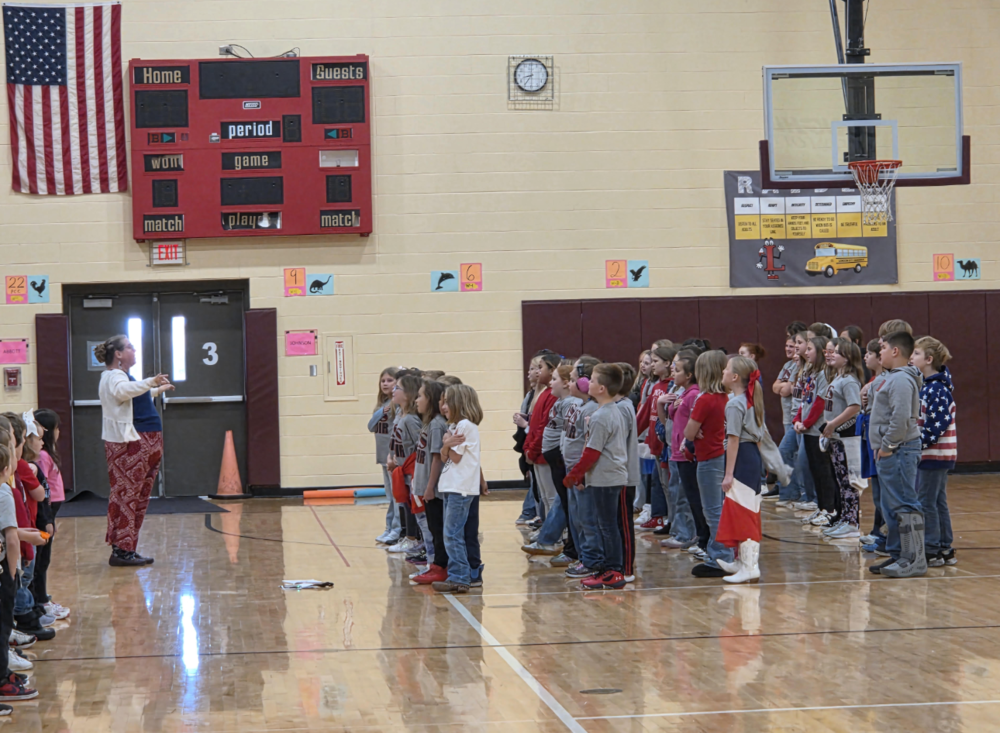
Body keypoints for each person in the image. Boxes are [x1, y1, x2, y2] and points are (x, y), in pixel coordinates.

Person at [94, 335, 173, 567]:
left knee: (137, 496)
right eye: (129, 347)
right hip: (134, 443)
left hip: (145, 441)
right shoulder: (114, 376)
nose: (134, 349)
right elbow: (122, 392)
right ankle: (122, 549)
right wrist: (150, 381)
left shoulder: (122, 378)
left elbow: (131, 398)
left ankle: (127, 548)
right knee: (129, 496)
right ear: (118, 354)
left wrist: (156, 390)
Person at [562, 363, 629, 590]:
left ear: (601, 388)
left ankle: (613, 570)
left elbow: (592, 452)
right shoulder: (609, 412)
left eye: (592, 380)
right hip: (605, 477)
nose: (587, 383)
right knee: (606, 525)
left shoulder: (602, 416)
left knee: (607, 526)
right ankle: (609, 569)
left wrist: (574, 475)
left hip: (607, 478)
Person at [868, 330, 925, 578]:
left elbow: (901, 419)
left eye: (882, 347)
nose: (879, 352)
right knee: (891, 504)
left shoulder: (901, 380)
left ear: (895, 351)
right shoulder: (892, 378)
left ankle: (914, 558)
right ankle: (898, 554)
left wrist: (887, 446)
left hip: (899, 449)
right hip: (892, 450)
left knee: (904, 503)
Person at [685, 350, 736, 578]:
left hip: (709, 459)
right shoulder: (725, 397)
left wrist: (693, 432)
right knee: (718, 508)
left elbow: (689, 432)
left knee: (713, 510)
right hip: (719, 455)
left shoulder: (705, 399)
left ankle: (721, 557)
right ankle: (722, 552)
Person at [717, 355, 766, 584]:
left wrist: (728, 474)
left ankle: (750, 566)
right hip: (750, 458)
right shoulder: (746, 399)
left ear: (734, 377)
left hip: (743, 459)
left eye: (726, 369)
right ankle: (741, 561)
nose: (723, 372)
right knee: (740, 510)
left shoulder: (735, 404)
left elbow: (734, 440)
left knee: (744, 512)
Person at [433, 385, 486, 594]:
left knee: (452, 534)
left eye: (447, 402)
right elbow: (445, 456)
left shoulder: (465, 426)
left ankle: (460, 577)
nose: (444, 407)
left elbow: (454, 456)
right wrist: (446, 445)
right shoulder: (456, 426)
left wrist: (446, 444)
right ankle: (460, 575)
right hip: (452, 486)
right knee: (452, 533)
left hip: (460, 488)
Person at [523, 364, 579, 558]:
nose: (550, 382)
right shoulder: (558, 401)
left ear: (566, 383)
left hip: (561, 459)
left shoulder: (571, 404)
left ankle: (559, 542)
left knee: (561, 501)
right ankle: (550, 538)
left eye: (554, 378)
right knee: (556, 500)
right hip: (553, 457)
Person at [912, 336, 957, 567]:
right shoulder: (930, 386)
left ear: (929, 359)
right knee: (937, 501)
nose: (911, 357)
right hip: (937, 454)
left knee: (926, 501)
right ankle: (944, 546)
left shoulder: (935, 389)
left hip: (934, 454)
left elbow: (937, 424)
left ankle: (931, 549)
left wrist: (917, 444)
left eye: (916, 354)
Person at [0, 440, 36, 707]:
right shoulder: (3, 493)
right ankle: (2, 680)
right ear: (6, 467)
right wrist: (12, 576)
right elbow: (11, 540)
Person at [562, 357, 602, 580]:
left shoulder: (592, 409)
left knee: (587, 519)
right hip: (573, 471)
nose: (569, 384)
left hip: (582, 474)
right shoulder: (579, 405)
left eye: (573, 380)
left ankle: (591, 559)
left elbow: (589, 446)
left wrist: (581, 475)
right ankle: (584, 556)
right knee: (577, 518)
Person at [820, 339, 865, 540]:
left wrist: (833, 424)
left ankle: (852, 522)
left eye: (836, 352)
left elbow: (854, 406)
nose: (832, 354)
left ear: (847, 358)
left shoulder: (849, 381)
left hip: (846, 439)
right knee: (840, 480)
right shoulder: (838, 378)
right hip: (836, 438)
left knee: (849, 481)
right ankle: (845, 518)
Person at [794, 335, 839, 528]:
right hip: (808, 430)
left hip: (818, 430)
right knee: (814, 470)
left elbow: (820, 402)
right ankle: (821, 507)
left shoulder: (823, 374)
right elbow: (805, 401)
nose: (805, 352)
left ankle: (829, 509)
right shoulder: (810, 372)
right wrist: (798, 419)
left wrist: (806, 422)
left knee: (824, 471)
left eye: (810, 349)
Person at [662, 350, 702, 551]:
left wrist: (686, 445)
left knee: (684, 495)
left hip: (685, 453)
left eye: (677, 371)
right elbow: (669, 417)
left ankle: (686, 534)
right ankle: (681, 531)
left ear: (688, 375)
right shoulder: (683, 393)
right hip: (675, 450)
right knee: (676, 492)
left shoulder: (693, 394)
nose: (673, 373)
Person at [411, 379, 449, 585]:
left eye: (420, 396)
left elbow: (437, 458)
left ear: (431, 400)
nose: (416, 400)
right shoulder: (429, 423)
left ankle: (441, 566)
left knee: (437, 528)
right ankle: (436, 565)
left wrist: (429, 487)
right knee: (434, 528)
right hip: (429, 486)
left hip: (434, 489)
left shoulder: (436, 425)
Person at [386, 373, 424, 556]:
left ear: (408, 394)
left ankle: (415, 539)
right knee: (404, 503)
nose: (393, 390)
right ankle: (409, 537)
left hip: (411, 468)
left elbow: (420, 445)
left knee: (413, 506)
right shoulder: (400, 413)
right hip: (400, 467)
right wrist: (391, 457)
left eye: (397, 388)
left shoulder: (410, 419)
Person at [524, 353, 560, 518]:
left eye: (541, 368)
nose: (538, 372)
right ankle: (546, 529)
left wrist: (532, 450)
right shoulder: (544, 393)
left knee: (551, 497)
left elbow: (543, 427)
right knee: (544, 497)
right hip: (536, 453)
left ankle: (554, 535)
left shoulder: (552, 395)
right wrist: (527, 448)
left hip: (543, 454)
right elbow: (533, 427)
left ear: (552, 370)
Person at [613, 363, 640, 583]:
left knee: (624, 522)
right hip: (617, 473)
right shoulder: (618, 405)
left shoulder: (623, 407)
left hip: (623, 474)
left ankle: (627, 567)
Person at [370, 366, 400, 545]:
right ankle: (389, 527)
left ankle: (397, 529)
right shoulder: (382, 406)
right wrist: (382, 411)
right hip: (383, 457)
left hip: (393, 457)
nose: (385, 384)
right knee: (390, 496)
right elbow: (371, 425)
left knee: (396, 496)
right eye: (383, 381)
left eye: (390, 380)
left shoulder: (396, 406)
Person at [774, 325, 804, 507]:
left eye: (795, 344)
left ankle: (801, 494)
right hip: (791, 417)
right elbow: (777, 388)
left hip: (802, 420)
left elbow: (788, 389)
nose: (789, 349)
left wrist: (784, 387)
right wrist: (783, 387)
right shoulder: (789, 366)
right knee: (787, 453)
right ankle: (790, 494)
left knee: (791, 454)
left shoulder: (801, 367)